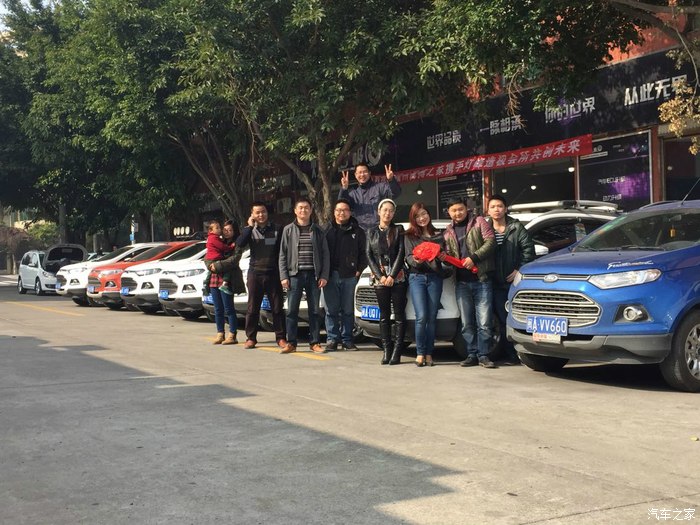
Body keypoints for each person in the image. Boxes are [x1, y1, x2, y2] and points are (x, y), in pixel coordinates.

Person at [213, 203, 287, 351]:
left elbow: (283, 251)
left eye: (263, 212)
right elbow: (239, 243)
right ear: (252, 215)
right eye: (257, 212)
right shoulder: (250, 230)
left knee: (277, 308)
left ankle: (281, 338)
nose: (261, 215)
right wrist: (249, 227)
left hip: (273, 273)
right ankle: (251, 338)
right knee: (252, 308)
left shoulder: (278, 229)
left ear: (267, 213)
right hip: (255, 273)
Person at [443, 197, 497, 368]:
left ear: (466, 209)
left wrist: (474, 258)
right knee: (466, 323)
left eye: (460, 209)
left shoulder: (479, 222)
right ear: (449, 212)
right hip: (461, 282)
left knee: (484, 322)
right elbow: (450, 254)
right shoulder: (448, 231)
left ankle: (484, 355)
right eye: (453, 210)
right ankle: (471, 354)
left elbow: (491, 242)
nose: (457, 213)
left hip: (481, 280)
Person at [486, 195, 535, 365]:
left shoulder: (516, 227)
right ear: (488, 210)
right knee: (494, 319)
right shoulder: (484, 227)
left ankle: (514, 353)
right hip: (490, 281)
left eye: (500, 206)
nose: (497, 209)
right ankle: (499, 353)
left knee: (510, 317)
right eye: (493, 206)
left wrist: (519, 269)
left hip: (511, 282)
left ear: (505, 209)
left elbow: (528, 249)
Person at [278, 198, 330, 354]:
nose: (303, 210)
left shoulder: (318, 230)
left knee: (314, 311)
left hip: (314, 276)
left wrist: (324, 275)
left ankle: (315, 342)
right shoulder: (288, 230)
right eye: (300, 208)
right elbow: (282, 255)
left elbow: (325, 254)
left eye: (306, 207)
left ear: (311, 210)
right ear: (295, 210)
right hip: (295, 275)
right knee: (291, 311)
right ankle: (291, 343)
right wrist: (283, 276)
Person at [404, 203, 450, 367]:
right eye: (417, 216)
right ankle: (420, 352)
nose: (422, 218)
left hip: (435, 278)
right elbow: (408, 257)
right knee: (421, 316)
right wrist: (415, 260)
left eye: (424, 214)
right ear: (413, 219)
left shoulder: (439, 235)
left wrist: (444, 257)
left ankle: (429, 353)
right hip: (417, 277)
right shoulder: (409, 236)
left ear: (429, 215)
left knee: (431, 317)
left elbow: (446, 259)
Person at [366, 198, 407, 365]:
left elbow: (401, 252)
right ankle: (386, 350)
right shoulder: (371, 232)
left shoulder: (398, 229)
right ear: (379, 211)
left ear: (394, 213)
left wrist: (392, 276)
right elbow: (369, 255)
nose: (387, 213)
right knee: (383, 316)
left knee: (399, 315)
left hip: (397, 276)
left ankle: (397, 351)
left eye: (391, 210)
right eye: (385, 210)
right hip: (379, 278)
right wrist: (380, 276)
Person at [323, 199, 368, 352]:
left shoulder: (358, 231)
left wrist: (359, 270)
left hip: (350, 275)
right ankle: (332, 339)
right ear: (334, 212)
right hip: (330, 275)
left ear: (350, 212)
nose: (341, 213)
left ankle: (347, 340)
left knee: (348, 310)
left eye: (345, 210)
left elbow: (364, 253)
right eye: (338, 210)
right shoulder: (326, 230)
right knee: (331, 310)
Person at [338, 163, 401, 231]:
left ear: (369, 173)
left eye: (365, 172)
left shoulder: (380, 188)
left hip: (379, 230)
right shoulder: (353, 194)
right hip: (360, 232)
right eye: (359, 172)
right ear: (355, 175)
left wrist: (391, 180)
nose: (362, 175)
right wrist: (344, 188)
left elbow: (395, 193)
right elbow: (342, 205)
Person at [206, 220, 238, 345]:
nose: (226, 232)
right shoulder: (217, 241)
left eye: (230, 230)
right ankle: (220, 333)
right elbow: (207, 258)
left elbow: (233, 261)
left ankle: (232, 334)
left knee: (229, 308)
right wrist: (210, 266)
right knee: (218, 309)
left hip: (226, 280)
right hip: (214, 279)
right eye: (225, 230)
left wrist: (216, 265)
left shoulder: (236, 244)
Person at [204, 221, 234, 296]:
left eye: (219, 228)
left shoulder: (212, 238)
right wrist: (230, 247)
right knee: (227, 269)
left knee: (210, 271)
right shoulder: (214, 238)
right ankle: (224, 284)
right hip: (214, 259)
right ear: (211, 230)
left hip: (211, 260)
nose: (219, 230)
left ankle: (206, 283)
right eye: (217, 228)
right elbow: (221, 247)